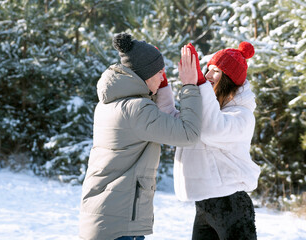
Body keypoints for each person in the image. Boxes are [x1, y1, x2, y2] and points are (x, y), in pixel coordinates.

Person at [79, 33, 202, 240]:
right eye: (160, 73)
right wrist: (190, 86)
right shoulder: (137, 109)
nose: (163, 78)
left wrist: (160, 88)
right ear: (145, 74)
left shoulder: (110, 103)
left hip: (103, 218)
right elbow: (188, 133)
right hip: (120, 225)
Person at [156, 42, 261, 240]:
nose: (209, 75)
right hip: (204, 204)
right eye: (208, 70)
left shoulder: (242, 115)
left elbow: (212, 129)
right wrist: (161, 84)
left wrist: (198, 84)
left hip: (232, 204)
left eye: (217, 71)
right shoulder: (210, 109)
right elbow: (175, 124)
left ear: (230, 79)